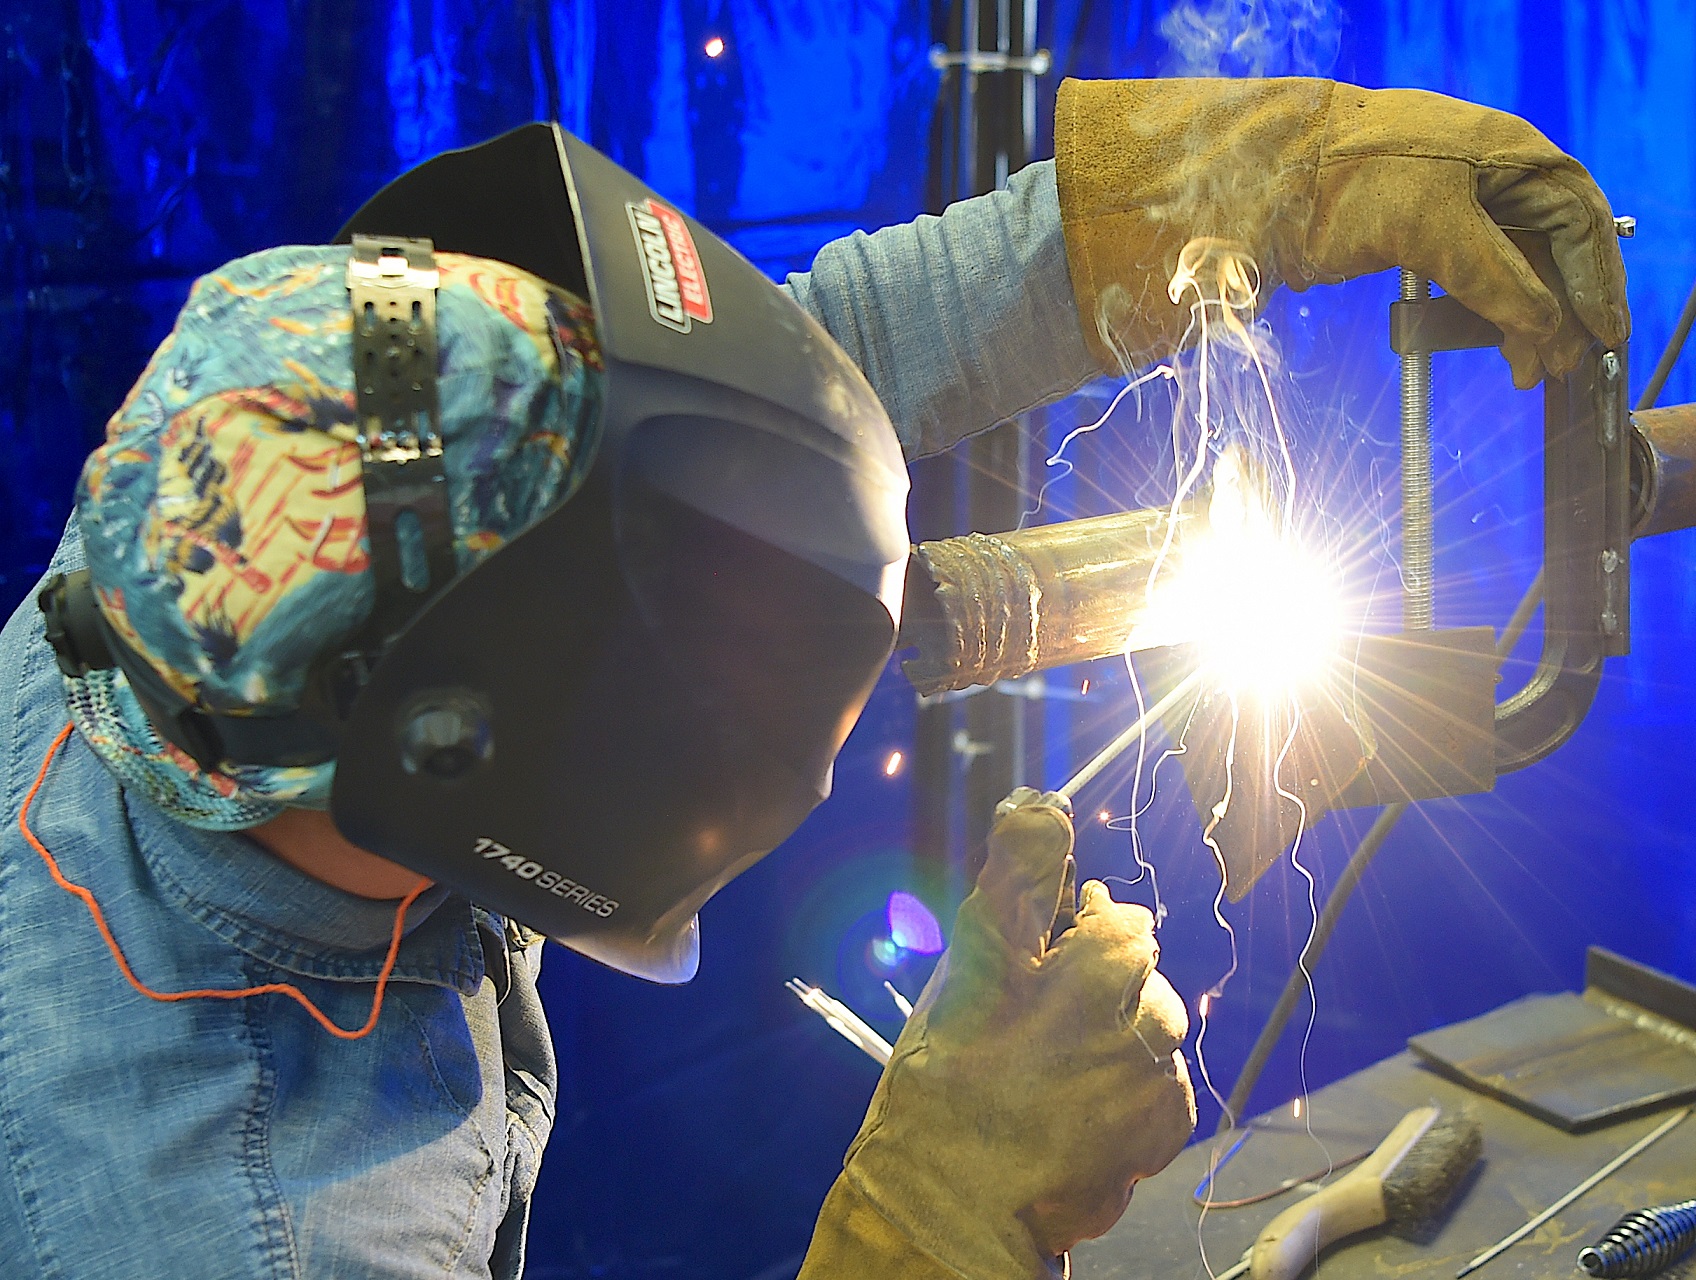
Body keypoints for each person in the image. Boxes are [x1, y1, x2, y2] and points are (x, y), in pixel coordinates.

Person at [0, 78, 1625, 1279]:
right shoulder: (243, 1223)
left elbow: (721, 403)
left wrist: (1230, 181)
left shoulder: (191, 580)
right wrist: (923, 1223)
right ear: (514, 774)